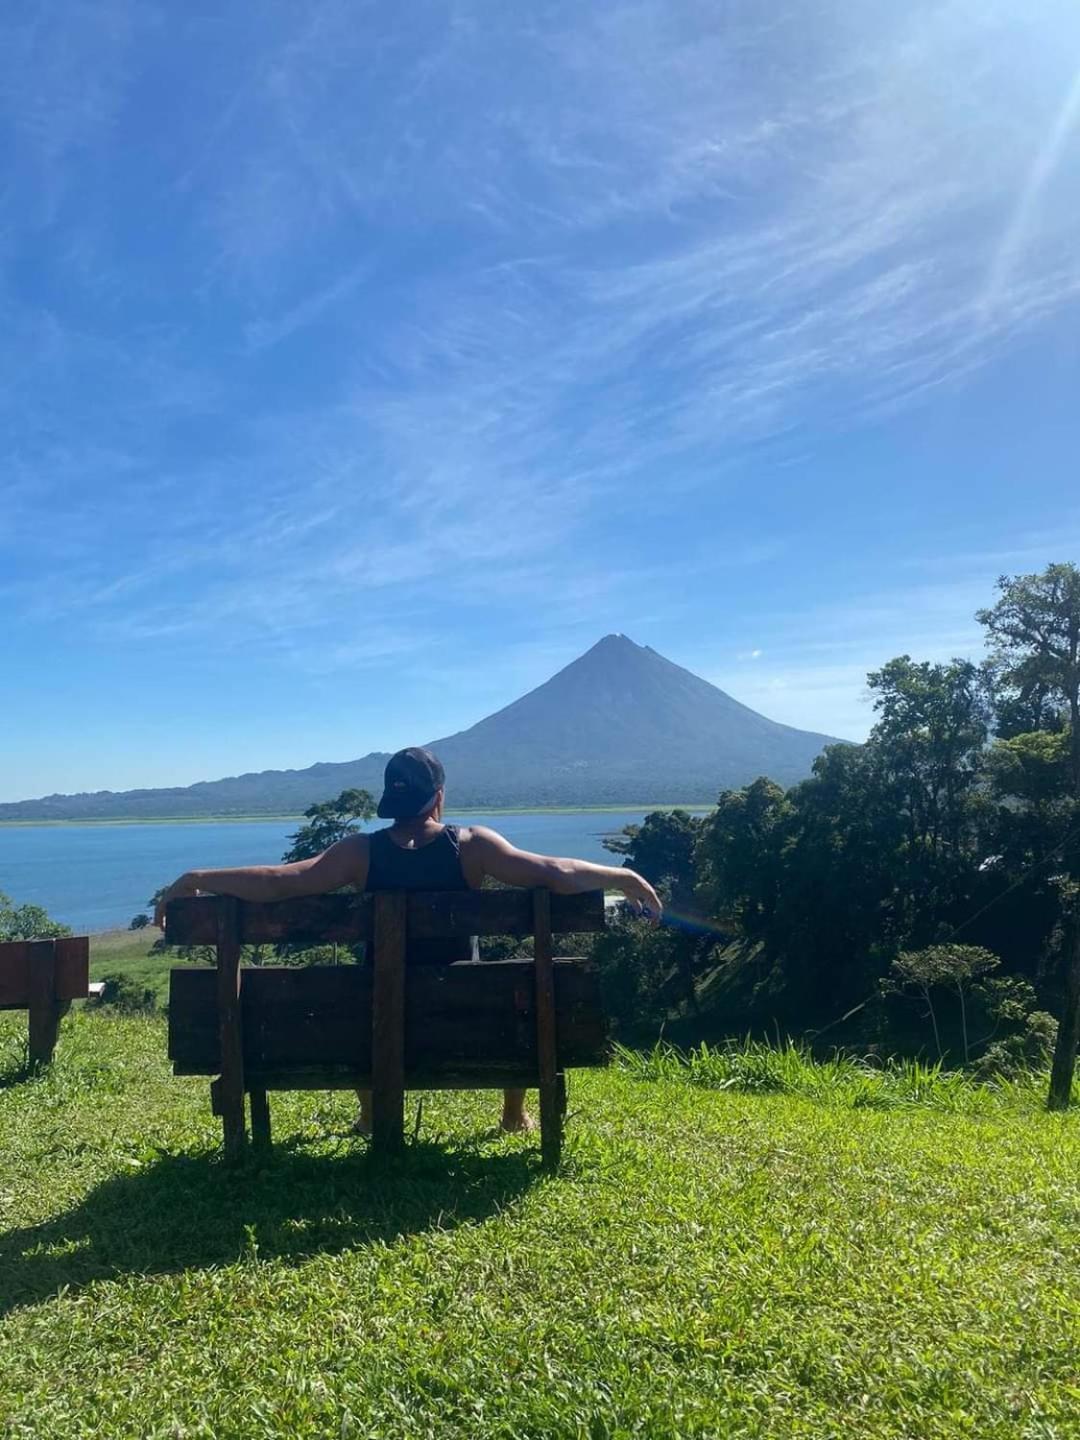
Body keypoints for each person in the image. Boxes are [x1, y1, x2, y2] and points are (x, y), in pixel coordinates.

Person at [157, 747, 663, 1133]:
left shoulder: (359, 853)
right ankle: (514, 1113)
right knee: (517, 992)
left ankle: (371, 1114)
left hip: (378, 1019)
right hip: (476, 1021)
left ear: (390, 801)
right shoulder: (473, 847)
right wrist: (622, 876)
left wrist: (202, 876)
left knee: (354, 995)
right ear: (438, 796)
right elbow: (554, 871)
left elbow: (280, 882)